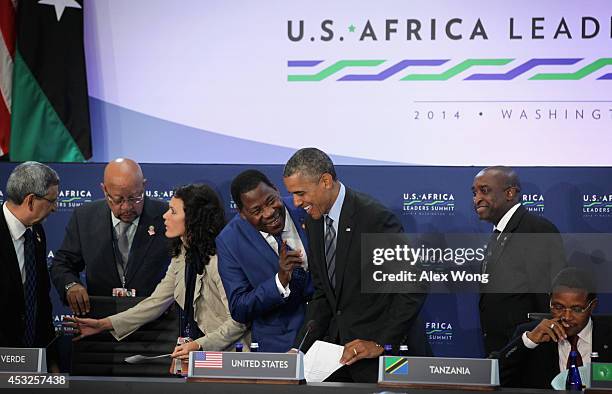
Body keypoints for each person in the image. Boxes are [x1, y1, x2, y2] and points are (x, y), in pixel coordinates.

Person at [283, 148, 429, 383]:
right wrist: (299, 349)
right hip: (340, 361)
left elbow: (413, 286)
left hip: (381, 363)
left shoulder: (373, 218)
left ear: (326, 181)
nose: (296, 203)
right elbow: (323, 294)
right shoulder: (314, 221)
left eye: (301, 193)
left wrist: (381, 342)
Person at [64, 184, 249, 356]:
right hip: (198, 354)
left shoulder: (219, 260)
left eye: (173, 212)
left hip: (231, 355)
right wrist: (103, 324)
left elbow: (239, 321)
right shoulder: (182, 255)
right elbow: (156, 302)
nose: (165, 216)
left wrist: (199, 345)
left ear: (193, 218)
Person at [50, 158, 170, 315]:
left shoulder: (166, 216)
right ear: (104, 190)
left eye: (134, 198)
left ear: (144, 186)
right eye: (118, 199)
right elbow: (62, 264)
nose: (127, 207)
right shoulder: (85, 217)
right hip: (100, 321)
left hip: (155, 322)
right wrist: (71, 285)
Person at [472, 166, 566, 355]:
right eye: (474, 193)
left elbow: (547, 297)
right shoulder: (498, 233)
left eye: (485, 190)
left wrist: (536, 344)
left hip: (529, 351)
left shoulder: (535, 230)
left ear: (510, 193)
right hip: (504, 350)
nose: (477, 199)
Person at [217, 170, 313, 352]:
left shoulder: (306, 209)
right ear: (242, 213)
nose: (269, 213)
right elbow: (239, 308)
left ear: (276, 190)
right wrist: (280, 281)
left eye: (271, 201)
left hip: (329, 339)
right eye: (257, 211)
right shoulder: (230, 241)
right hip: (278, 348)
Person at [499, 267, 612, 389]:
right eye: (558, 307)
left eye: (577, 309)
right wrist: (529, 341)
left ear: (592, 306)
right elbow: (495, 379)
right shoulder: (532, 335)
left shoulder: (608, 333)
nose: (566, 317)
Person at [0, 162, 58, 350]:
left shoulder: (37, 232)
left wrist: (52, 360)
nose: (55, 208)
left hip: (30, 356)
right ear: (31, 200)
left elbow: (41, 299)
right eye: (51, 201)